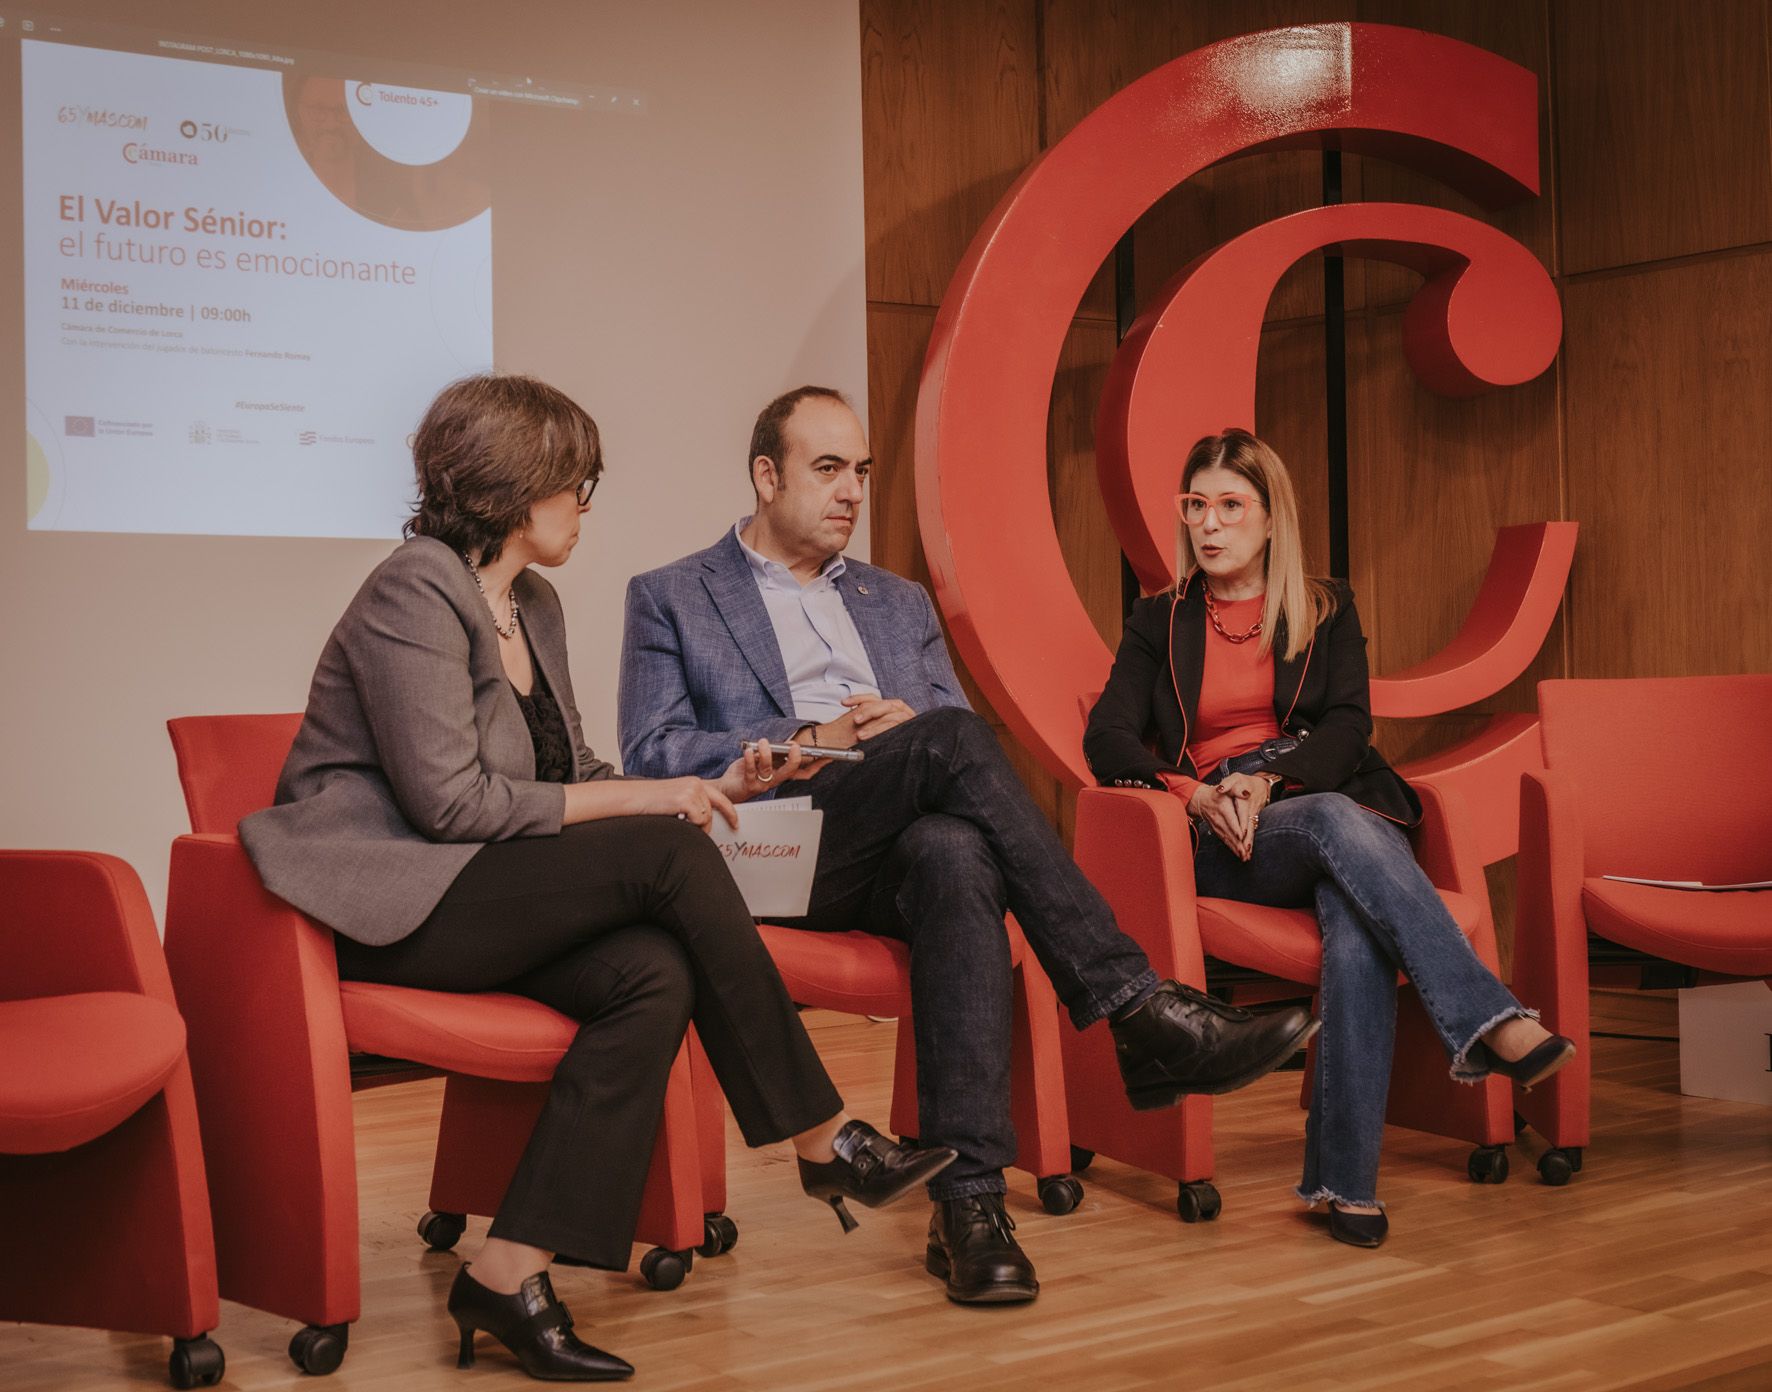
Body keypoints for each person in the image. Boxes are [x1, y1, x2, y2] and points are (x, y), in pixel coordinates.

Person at [240, 375, 956, 1382]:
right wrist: (651, 807)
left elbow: (575, 776)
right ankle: (818, 1136)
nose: (583, 506)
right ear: (510, 490)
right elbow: (451, 806)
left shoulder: (531, 603)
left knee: (650, 970)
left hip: (487, 889)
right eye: (575, 485)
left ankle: (509, 1273)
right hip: (393, 902)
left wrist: (713, 781)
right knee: (664, 849)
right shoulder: (412, 591)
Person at [617, 386, 1317, 1305]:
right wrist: (813, 738)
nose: (851, 492)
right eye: (828, 469)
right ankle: (1137, 1010)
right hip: (775, 847)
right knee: (949, 752)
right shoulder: (671, 595)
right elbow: (651, 752)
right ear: (765, 475)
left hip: (898, 838)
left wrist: (904, 728)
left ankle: (971, 1206)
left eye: (860, 472)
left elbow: (947, 734)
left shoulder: (894, 599)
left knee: (956, 849)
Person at [1083, 427, 1577, 1249]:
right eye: (1196, 505)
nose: (1209, 524)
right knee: (1337, 824)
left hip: (1307, 807)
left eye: (1230, 506)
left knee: (1355, 924)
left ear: (1271, 517)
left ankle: (1343, 1184)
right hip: (1220, 841)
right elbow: (1108, 739)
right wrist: (1202, 794)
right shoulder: (1157, 620)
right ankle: (1489, 1020)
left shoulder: (1324, 608)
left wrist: (1270, 779)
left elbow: (1349, 727)